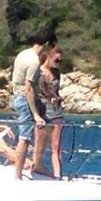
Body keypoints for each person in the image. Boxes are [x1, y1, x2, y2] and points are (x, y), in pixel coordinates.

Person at [11, 28, 53, 180]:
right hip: (24, 99)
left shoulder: (23, 54)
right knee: (25, 137)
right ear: (46, 43)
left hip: (22, 95)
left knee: (48, 125)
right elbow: (28, 89)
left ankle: (38, 163)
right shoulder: (34, 61)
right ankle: (17, 175)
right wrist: (35, 114)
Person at [36, 44, 64, 178]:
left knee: (56, 145)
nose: (57, 63)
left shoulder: (56, 73)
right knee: (39, 142)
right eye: (56, 60)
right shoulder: (38, 72)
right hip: (42, 110)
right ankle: (36, 165)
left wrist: (57, 99)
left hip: (56, 110)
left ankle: (57, 173)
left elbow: (55, 91)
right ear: (48, 57)